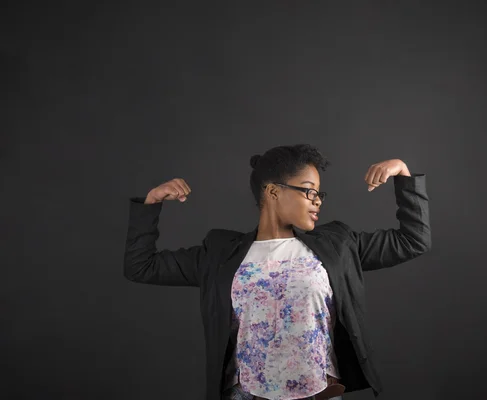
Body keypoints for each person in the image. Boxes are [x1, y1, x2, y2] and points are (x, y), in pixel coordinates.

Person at [123, 144, 431, 400]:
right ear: (272, 191)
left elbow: (413, 241)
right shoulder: (220, 253)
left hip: (317, 393)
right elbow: (142, 266)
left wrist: (403, 174)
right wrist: (150, 204)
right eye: (309, 191)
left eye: (320, 193)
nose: (317, 201)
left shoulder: (338, 244)